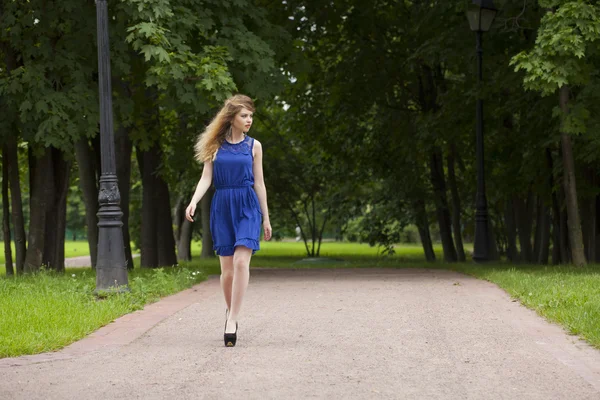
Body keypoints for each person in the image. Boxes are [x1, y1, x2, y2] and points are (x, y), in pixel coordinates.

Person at [185, 94, 272, 347]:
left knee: (241, 262)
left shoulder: (255, 146)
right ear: (231, 117)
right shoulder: (215, 145)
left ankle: (232, 319)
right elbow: (206, 178)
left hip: (247, 205)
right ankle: (230, 312)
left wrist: (266, 218)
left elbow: (259, 182)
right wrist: (193, 201)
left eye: (251, 116)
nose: (249, 120)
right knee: (227, 271)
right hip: (222, 206)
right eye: (244, 116)